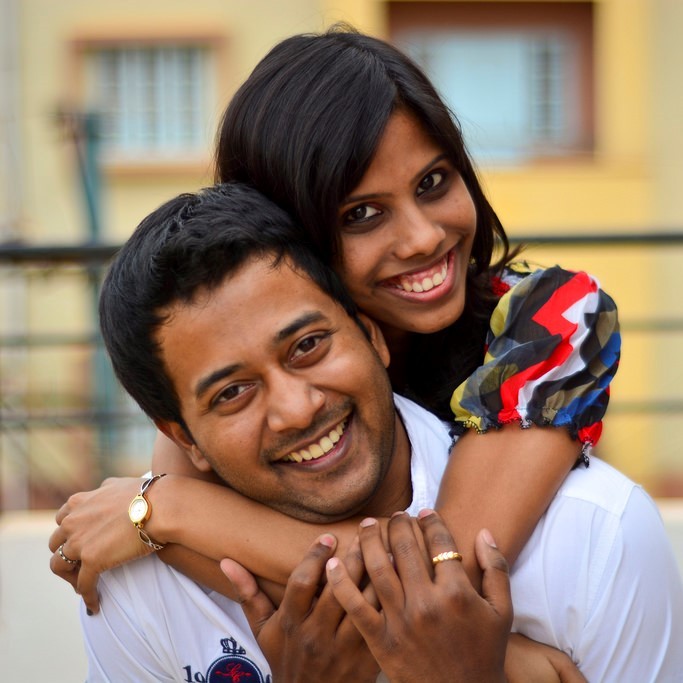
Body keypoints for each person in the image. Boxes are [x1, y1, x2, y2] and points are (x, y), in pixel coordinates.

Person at [50, 28, 622, 614]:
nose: (424, 237)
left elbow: (435, 586)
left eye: (433, 182)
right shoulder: (230, 376)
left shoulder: (555, 316)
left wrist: (169, 513)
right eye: (363, 214)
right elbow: (235, 581)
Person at [70, 183, 681, 682]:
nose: (295, 409)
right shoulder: (135, 582)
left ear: (372, 333)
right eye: (233, 393)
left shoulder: (595, 536)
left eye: (308, 346)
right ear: (183, 437)